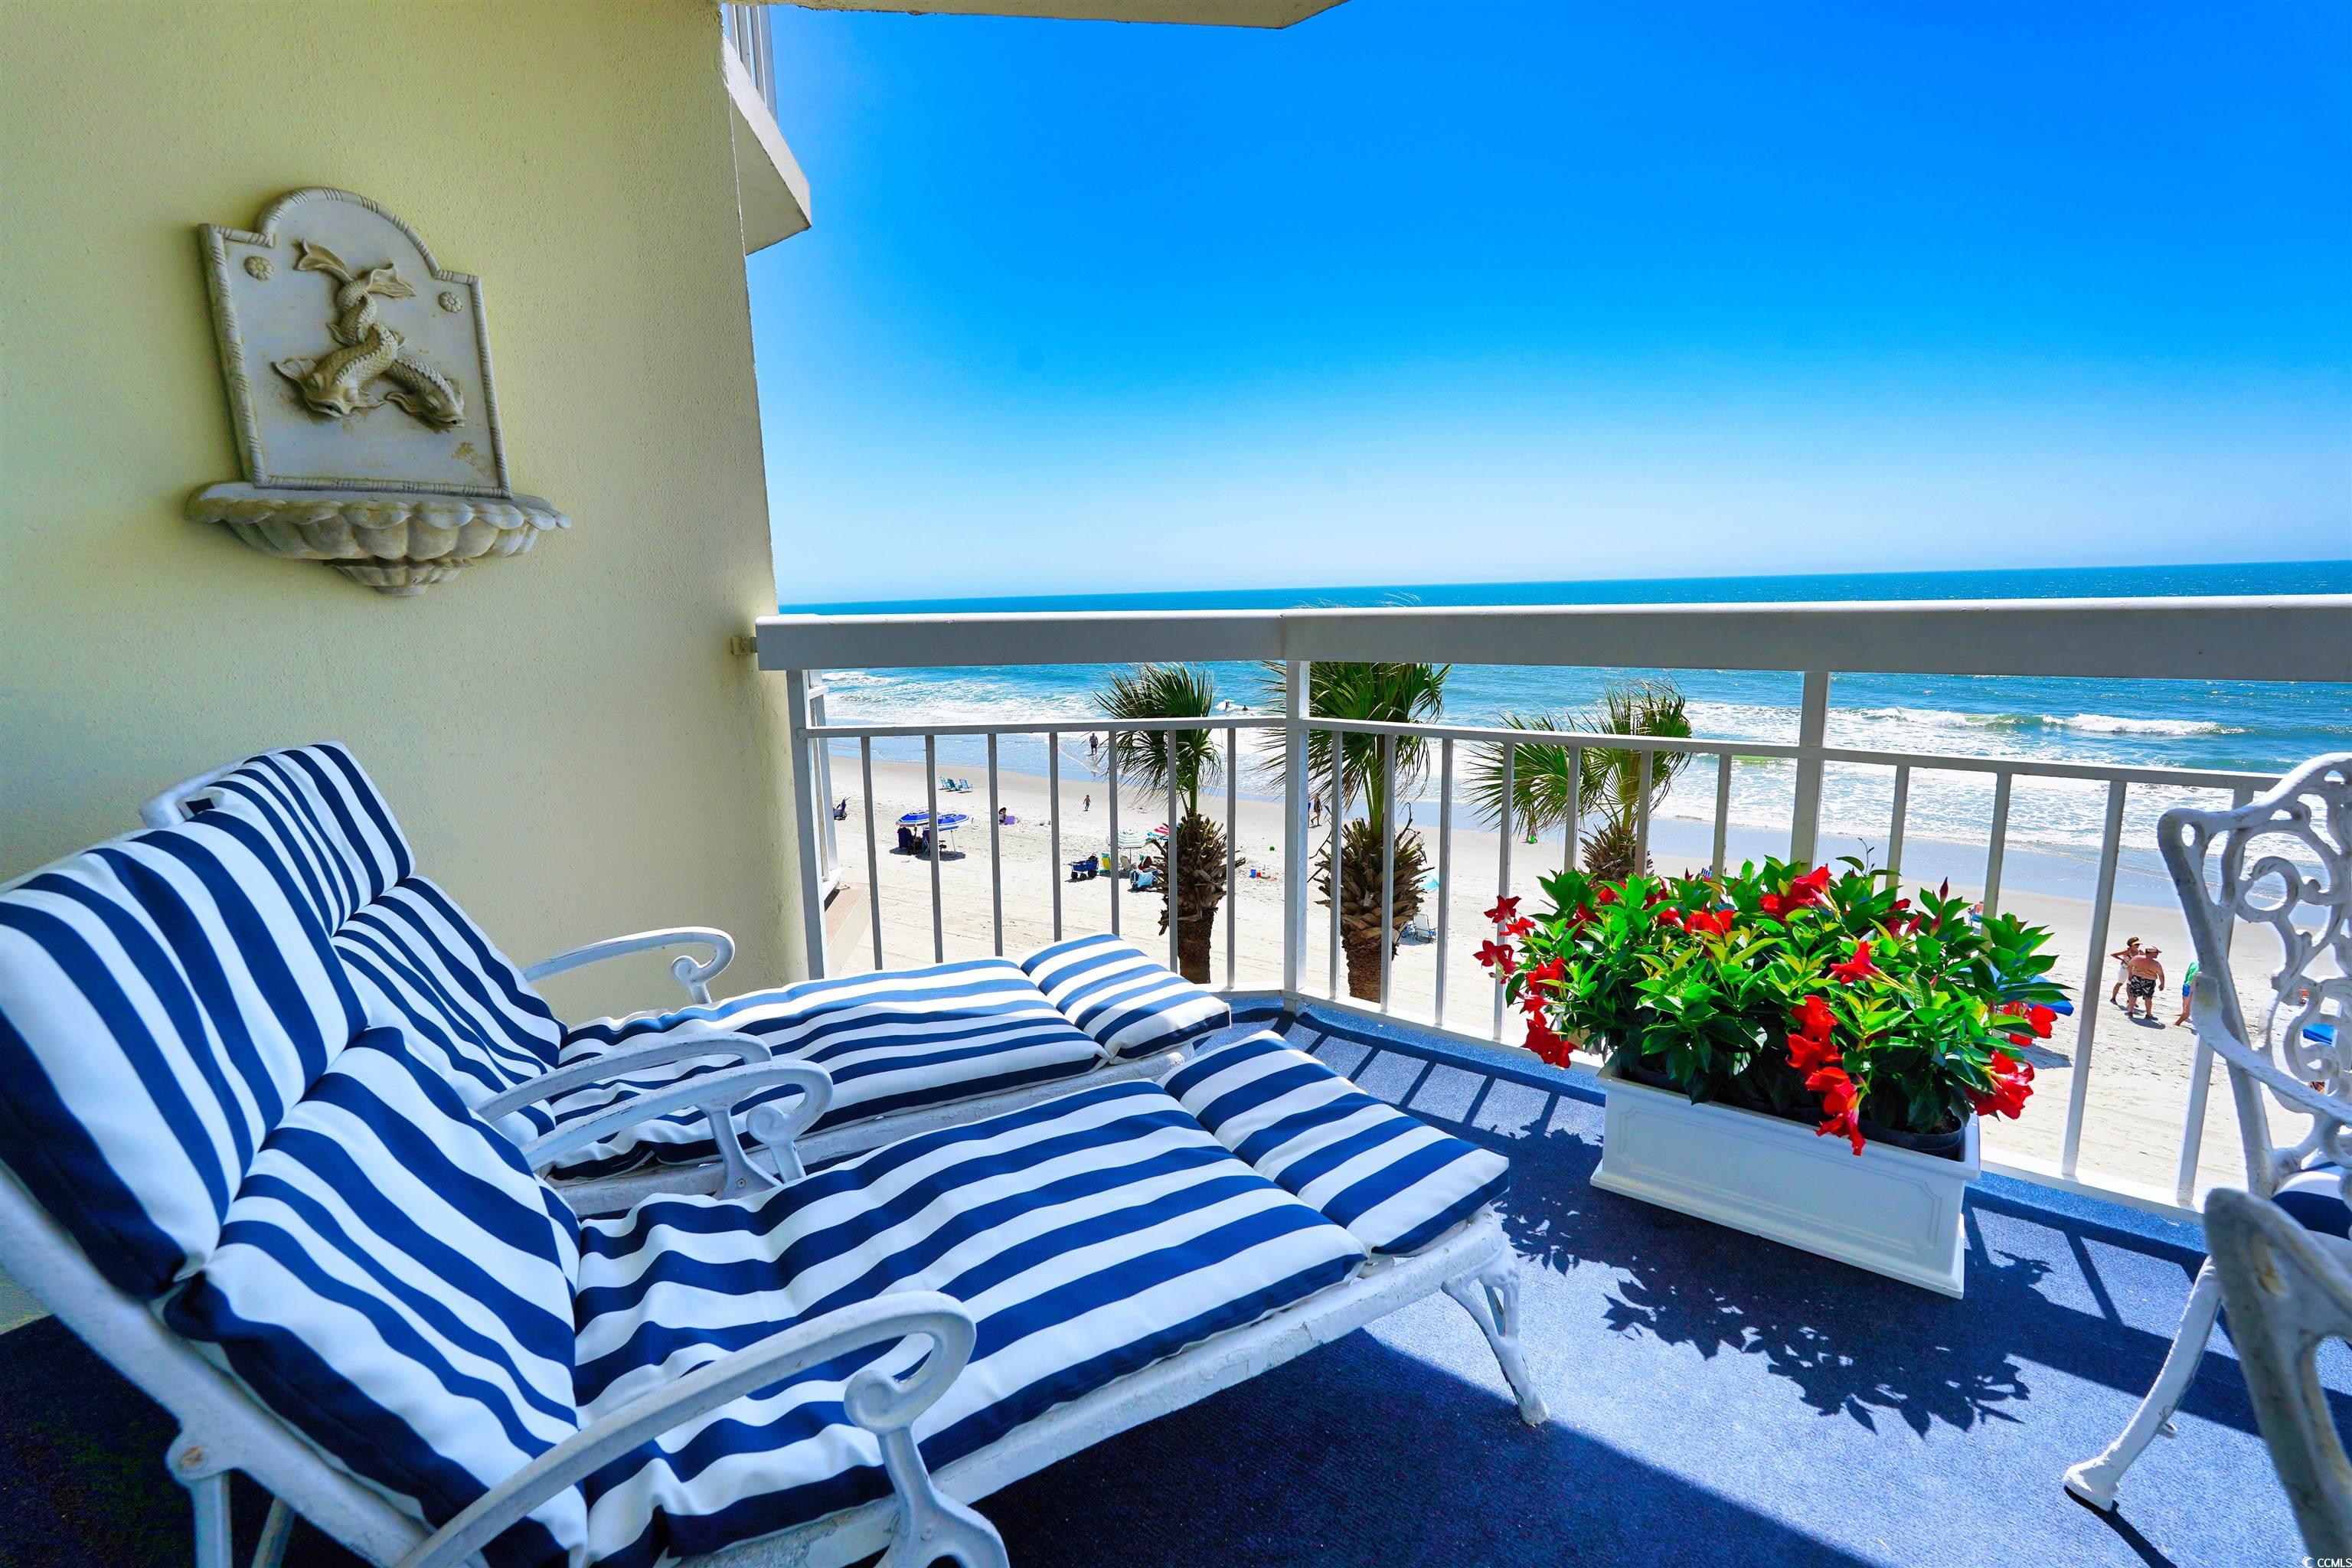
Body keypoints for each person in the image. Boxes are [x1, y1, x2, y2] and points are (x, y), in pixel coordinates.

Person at [2125, 946, 2165, 1021]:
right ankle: (2148, 1015)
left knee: (2133, 996)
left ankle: (2130, 1012)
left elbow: (2129, 966)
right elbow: (2161, 975)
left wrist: (2130, 975)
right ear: (2152, 953)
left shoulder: (2136, 958)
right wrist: (2162, 984)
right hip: (2149, 981)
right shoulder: (2156, 964)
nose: (2157, 954)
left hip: (2136, 978)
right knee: (2148, 998)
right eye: (2157, 953)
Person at [2109, 938, 2142, 1005]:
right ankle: (2113, 998)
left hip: (2133, 970)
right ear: (2131, 944)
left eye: (2138, 944)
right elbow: (2113, 954)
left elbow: (2146, 958)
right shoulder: (2127, 951)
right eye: (2136, 944)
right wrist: (2122, 959)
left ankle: (2130, 1000)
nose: (2138, 945)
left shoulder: (2140, 952)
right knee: (2120, 983)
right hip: (2124, 969)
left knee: (2130, 985)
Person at [2173, 959, 2199, 1027]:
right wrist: (2185, 982)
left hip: (2196, 989)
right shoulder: (2194, 963)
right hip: (2188, 985)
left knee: (2188, 1008)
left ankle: (2179, 1021)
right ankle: (2183, 1014)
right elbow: (2188, 973)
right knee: (2185, 1000)